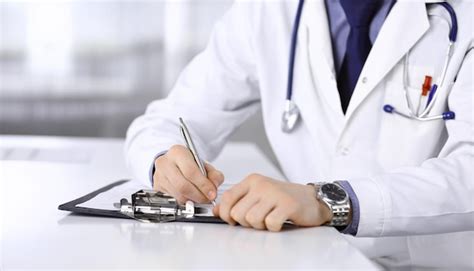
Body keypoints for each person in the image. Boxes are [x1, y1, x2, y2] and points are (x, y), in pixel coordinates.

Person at [125, 0, 473, 268]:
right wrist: (164, 161)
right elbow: (167, 119)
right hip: (314, 259)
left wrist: (332, 201)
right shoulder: (269, 10)